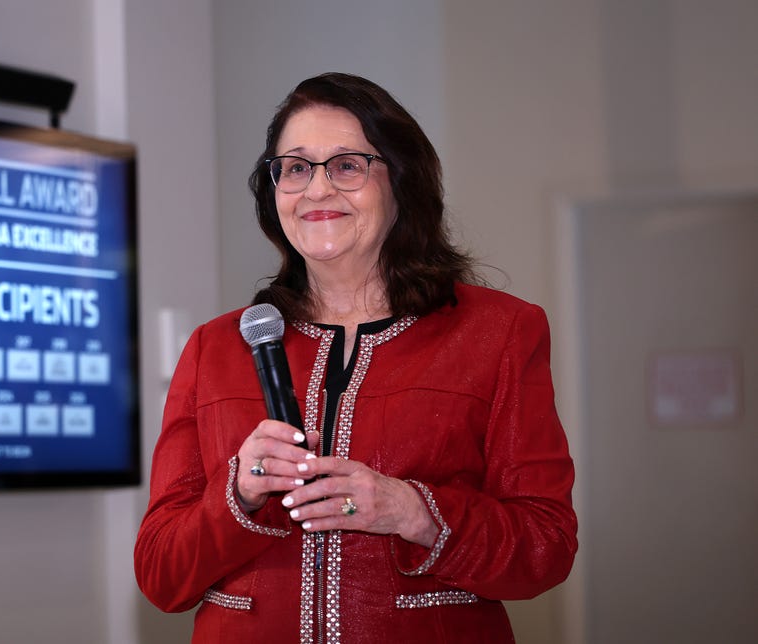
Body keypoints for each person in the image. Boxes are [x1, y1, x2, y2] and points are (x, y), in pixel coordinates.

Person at [134, 72, 577, 643]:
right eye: (295, 167)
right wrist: (238, 490)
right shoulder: (214, 348)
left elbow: (546, 546)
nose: (317, 189)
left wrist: (411, 510)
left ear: (402, 183)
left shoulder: (499, 333)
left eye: (347, 164)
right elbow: (160, 576)